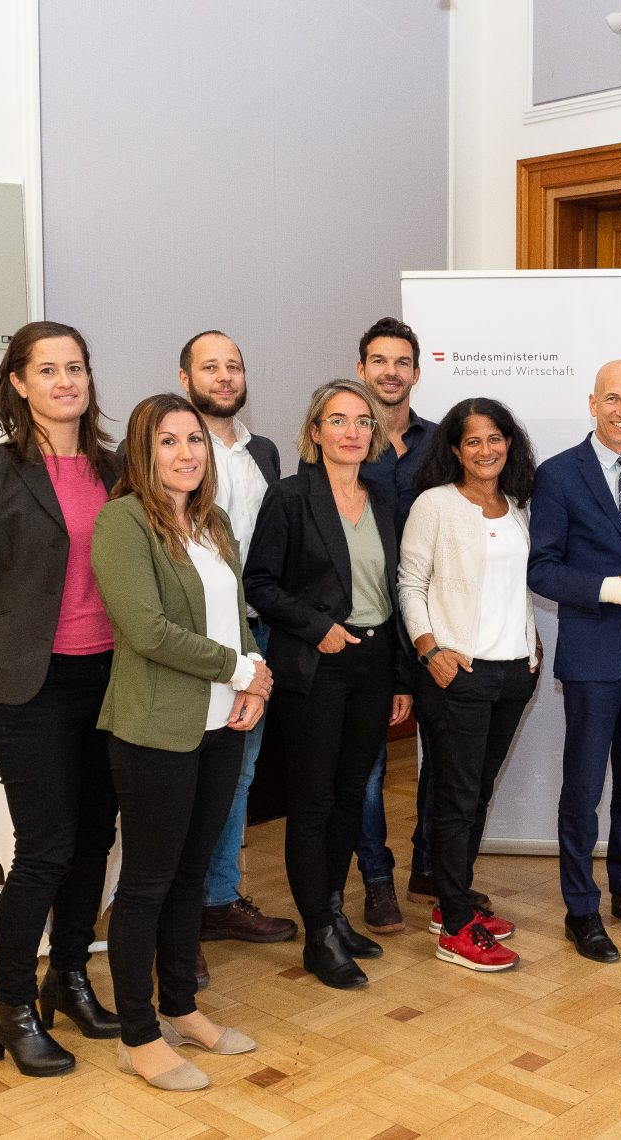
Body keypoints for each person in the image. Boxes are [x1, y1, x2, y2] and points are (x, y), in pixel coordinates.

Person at [0, 320, 121, 1078]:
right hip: (27, 685)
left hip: (112, 680)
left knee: (93, 841)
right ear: (17, 382)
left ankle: (67, 978)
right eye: (48, 370)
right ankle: (10, 1007)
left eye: (76, 367)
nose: (65, 381)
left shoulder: (116, 468)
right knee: (44, 850)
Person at [92, 393, 269, 1092]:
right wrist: (239, 669)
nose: (187, 453)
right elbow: (147, 630)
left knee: (191, 879)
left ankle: (182, 1009)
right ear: (144, 450)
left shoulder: (211, 521)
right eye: (169, 441)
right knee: (146, 885)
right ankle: (137, 1035)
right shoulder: (123, 521)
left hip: (222, 725)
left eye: (195, 439)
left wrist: (254, 682)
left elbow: (237, 619)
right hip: (156, 729)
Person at [245, 379, 412, 989]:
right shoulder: (290, 498)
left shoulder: (384, 500)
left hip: (372, 664)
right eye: (338, 420)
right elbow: (258, 584)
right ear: (315, 431)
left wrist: (398, 676)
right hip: (316, 664)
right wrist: (319, 627)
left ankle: (336, 916)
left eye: (362, 422)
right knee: (313, 802)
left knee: (350, 795)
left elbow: (393, 595)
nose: (351, 432)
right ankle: (317, 933)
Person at [528, 361, 621, 964]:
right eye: (612, 399)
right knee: (585, 786)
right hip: (593, 654)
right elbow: (542, 568)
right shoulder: (559, 474)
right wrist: (609, 589)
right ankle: (581, 909)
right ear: (592, 403)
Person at [400, 399, 541, 971]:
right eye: (473, 441)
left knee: (475, 794)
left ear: (510, 443)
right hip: (459, 674)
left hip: (513, 675)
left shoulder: (519, 506)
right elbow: (409, 582)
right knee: (455, 800)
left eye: (496, 438)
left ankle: (450, 901)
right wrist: (429, 648)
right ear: (455, 450)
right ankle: (455, 925)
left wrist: (531, 642)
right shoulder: (435, 504)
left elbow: (521, 586)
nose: (486, 450)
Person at [176, 331, 297, 980]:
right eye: (210, 367)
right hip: (191, 643)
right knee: (185, 781)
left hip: (258, 636)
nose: (224, 377)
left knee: (238, 775)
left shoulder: (264, 451)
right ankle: (180, 916)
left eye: (234, 366)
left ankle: (218, 900)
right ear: (184, 375)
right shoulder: (172, 448)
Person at [349, 317, 438, 934]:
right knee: (368, 765)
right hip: (369, 622)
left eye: (401, 361)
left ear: (415, 370)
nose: (390, 372)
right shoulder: (339, 441)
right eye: (378, 361)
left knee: (447, 752)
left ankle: (431, 865)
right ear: (362, 369)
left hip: (437, 620)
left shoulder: (442, 442)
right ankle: (377, 879)